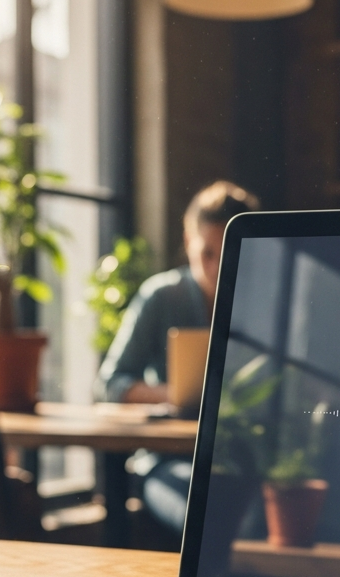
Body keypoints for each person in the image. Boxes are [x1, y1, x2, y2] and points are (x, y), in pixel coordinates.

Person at [95, 181, 260, 539]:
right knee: (206, 507)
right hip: (169, 461)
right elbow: (110, 384)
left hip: (246, 462)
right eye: (208, 253)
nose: (218, 267)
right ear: (188, 242)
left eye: (231, 253)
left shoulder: (265, 306)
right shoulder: (161, 297)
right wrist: (174, 394)